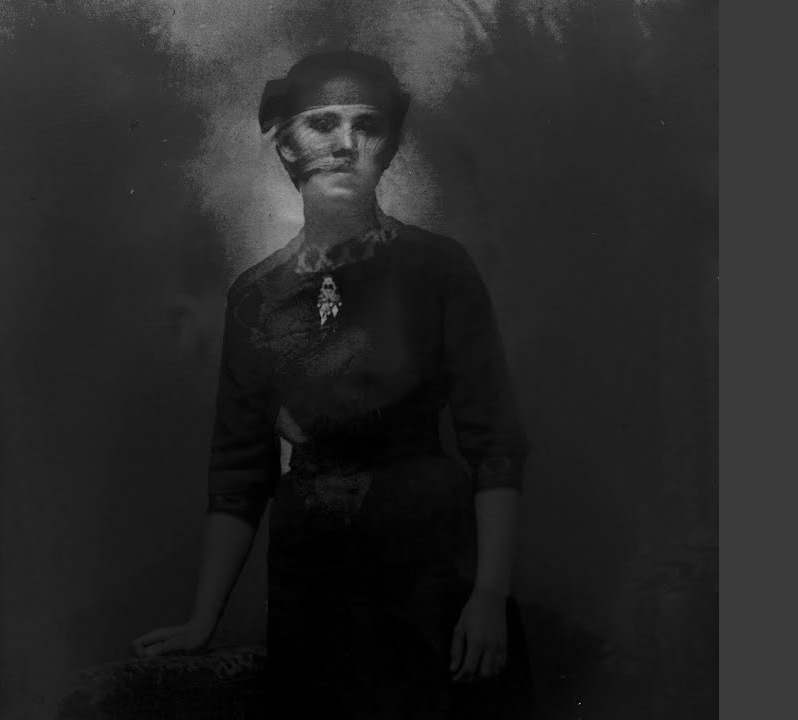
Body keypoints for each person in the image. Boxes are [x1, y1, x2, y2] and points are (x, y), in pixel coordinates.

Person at [133, 50, 533, 719]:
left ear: (391, 146)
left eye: (367, 124)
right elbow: (239, 469)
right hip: (311, 571)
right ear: (286, 145)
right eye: (322, 122)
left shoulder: (438, 268)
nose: (345, 142)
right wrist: (203, 621)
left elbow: (494, 443)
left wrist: (489, 595)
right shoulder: (255, 297)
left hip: (428, 558)